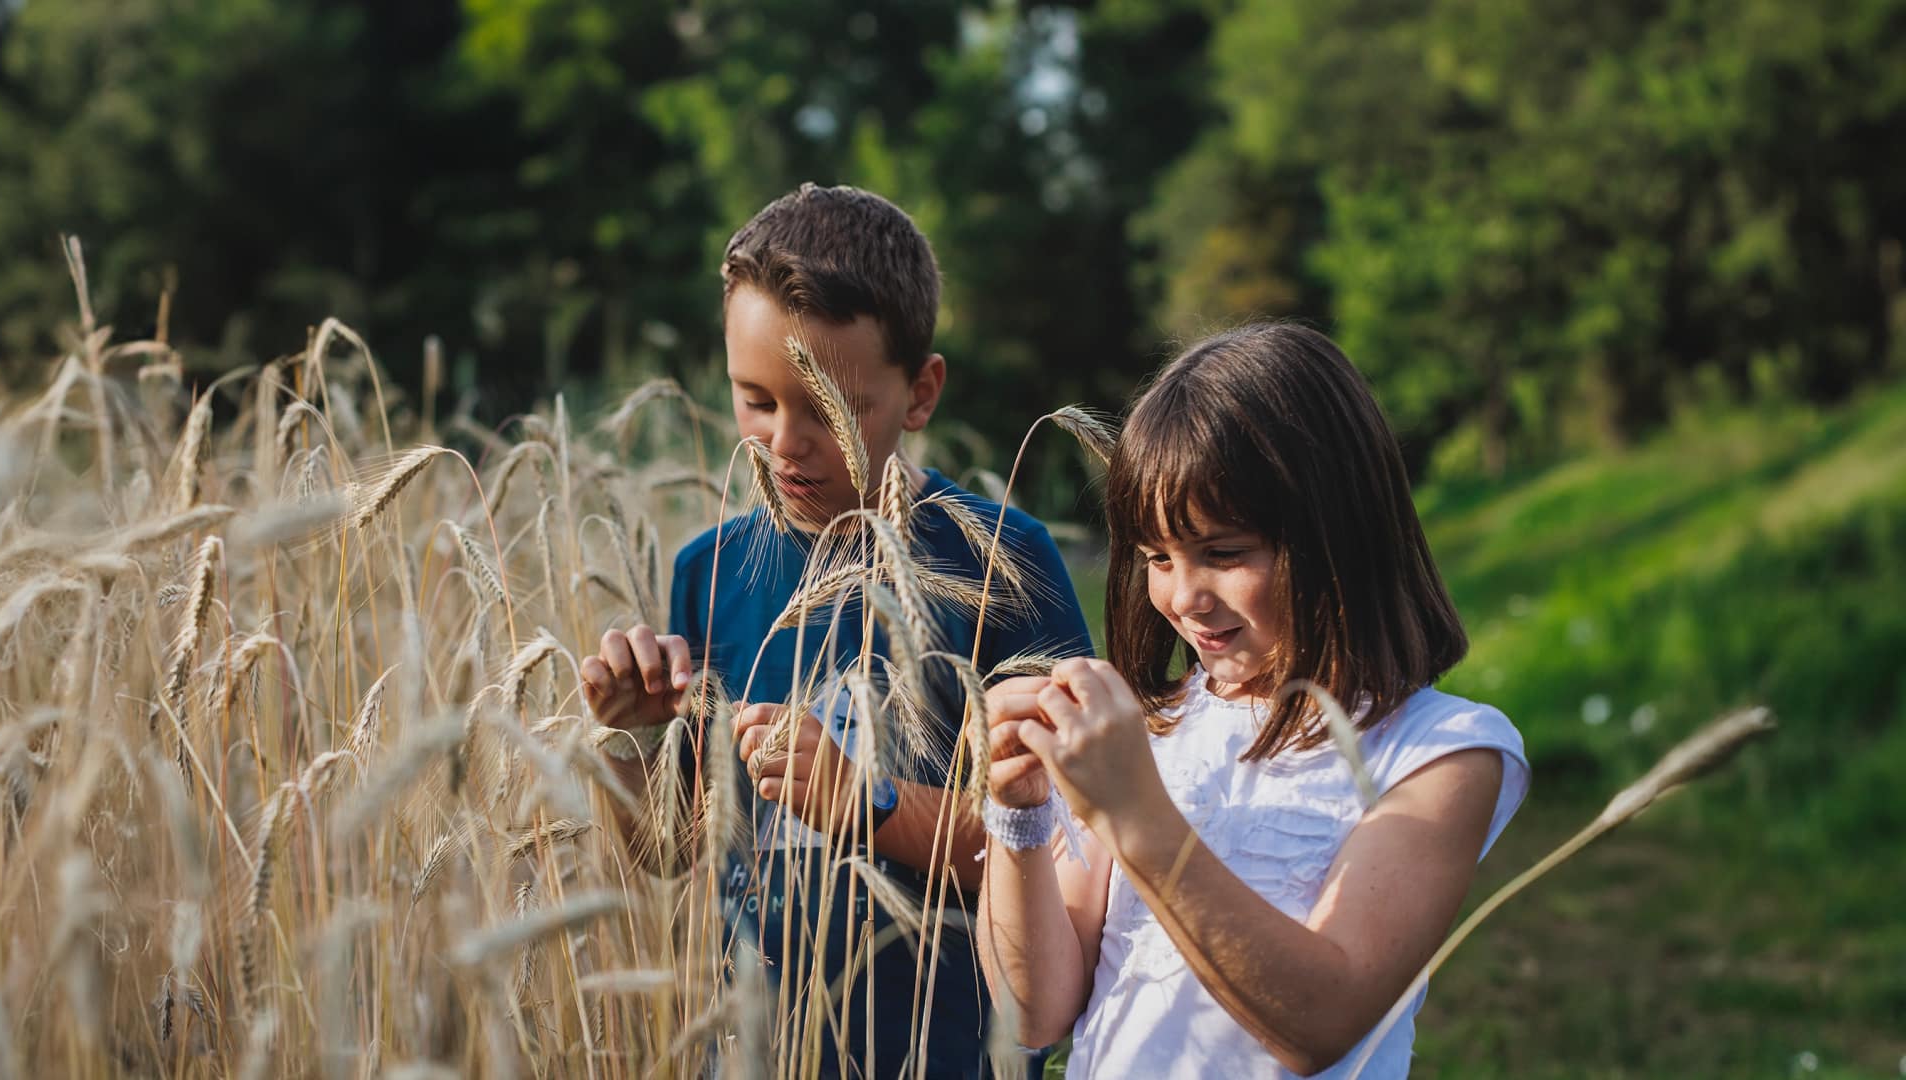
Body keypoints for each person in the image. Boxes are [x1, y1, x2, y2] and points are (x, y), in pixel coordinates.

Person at [578, 183, 1093, 1079]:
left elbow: (1071, 851)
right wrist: (633, 736)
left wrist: (871, 805)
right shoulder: (709, 570)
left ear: (920, 391)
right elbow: (669, 852)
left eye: (830, 407)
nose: (785, 442)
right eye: (755, 400)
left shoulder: (1002, 563)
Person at [976, 322, 1530, 1078]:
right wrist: (1019, 814)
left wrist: (1133, 812)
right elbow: (1035, 1012)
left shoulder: (1443, 753)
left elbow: (1322, 1023)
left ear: (1335, 533)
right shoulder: (1151, 727)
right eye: (1155, 558)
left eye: (1224, 554)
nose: (1181, 596)